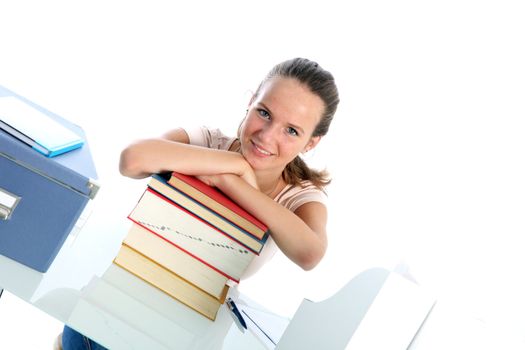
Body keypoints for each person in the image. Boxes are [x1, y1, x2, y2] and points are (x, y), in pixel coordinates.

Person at [56, 57, 339, 349]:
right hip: (118, 306)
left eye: (291, 131)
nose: (267, 136)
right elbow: (132, 160)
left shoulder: (300, 197)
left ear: (311, 143)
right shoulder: (207, 141)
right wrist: (233, 163)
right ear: (252, 100)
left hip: (189, 329)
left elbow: (310, 254)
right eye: (264, 113)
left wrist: (231, 181)